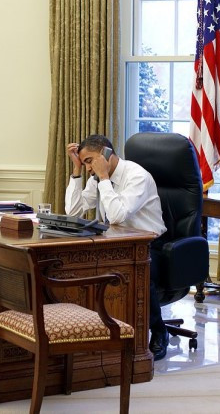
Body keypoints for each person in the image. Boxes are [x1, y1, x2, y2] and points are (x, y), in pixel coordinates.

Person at [64, 134, 170, 361]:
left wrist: (103, 177)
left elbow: (116, 216)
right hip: (114, 242)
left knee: (140, 274)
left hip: (149, 244)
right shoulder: (96, 178)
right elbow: (73, 212)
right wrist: (76, 171)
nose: (89, 169)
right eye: (85, 163)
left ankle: (159, 330)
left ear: (106, 153)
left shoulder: (137, 176)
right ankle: (98, 329)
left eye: (89, 161)